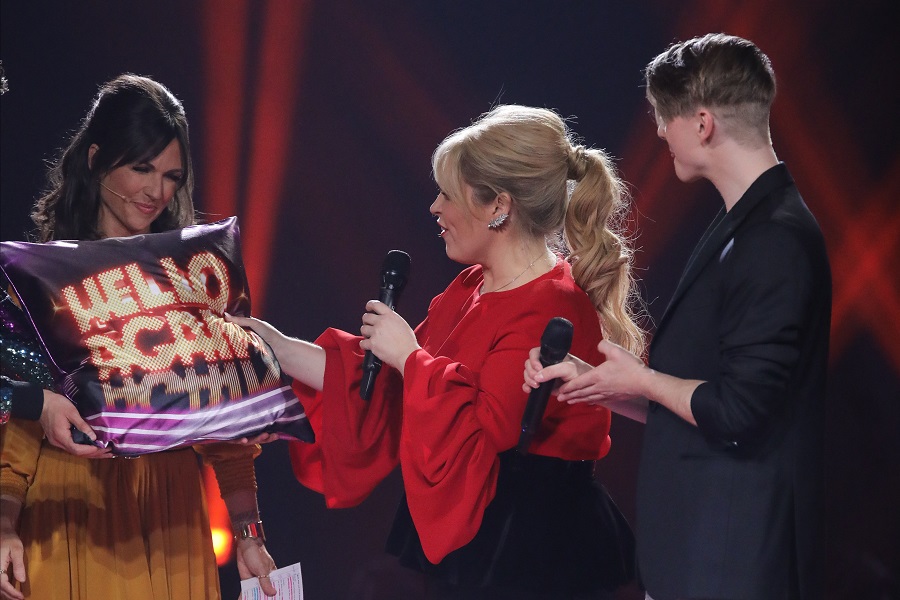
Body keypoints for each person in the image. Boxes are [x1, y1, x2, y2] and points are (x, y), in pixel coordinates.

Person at [228, 104, 643, 599]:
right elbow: (378, 379)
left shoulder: (552, 304)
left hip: (535, 557)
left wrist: (410, 357)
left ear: (498, 207)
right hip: (480, 550)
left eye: (447, 194)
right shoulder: (470, 286)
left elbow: (484, 430)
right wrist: (267, 342)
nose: (434, 208)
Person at [525, 34, 831, 600]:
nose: (660, 131)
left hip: (731, 565)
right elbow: (705, 403)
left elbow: (741, 413)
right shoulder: (743, 224)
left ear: (703, 123)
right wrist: (604, 386)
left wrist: (640, 378)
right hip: (698, 558)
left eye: (664, 117)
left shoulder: (774, 239)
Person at [0, 74, 278, 599]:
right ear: (96, 158)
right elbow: (16, 430)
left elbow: (226, 425)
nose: (157, 191)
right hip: (70, 515)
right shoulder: (41, 277)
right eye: (141, 168)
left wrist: (247, 533)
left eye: (172, 175)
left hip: (172, 520)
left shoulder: (189, 276)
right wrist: (4, 525)